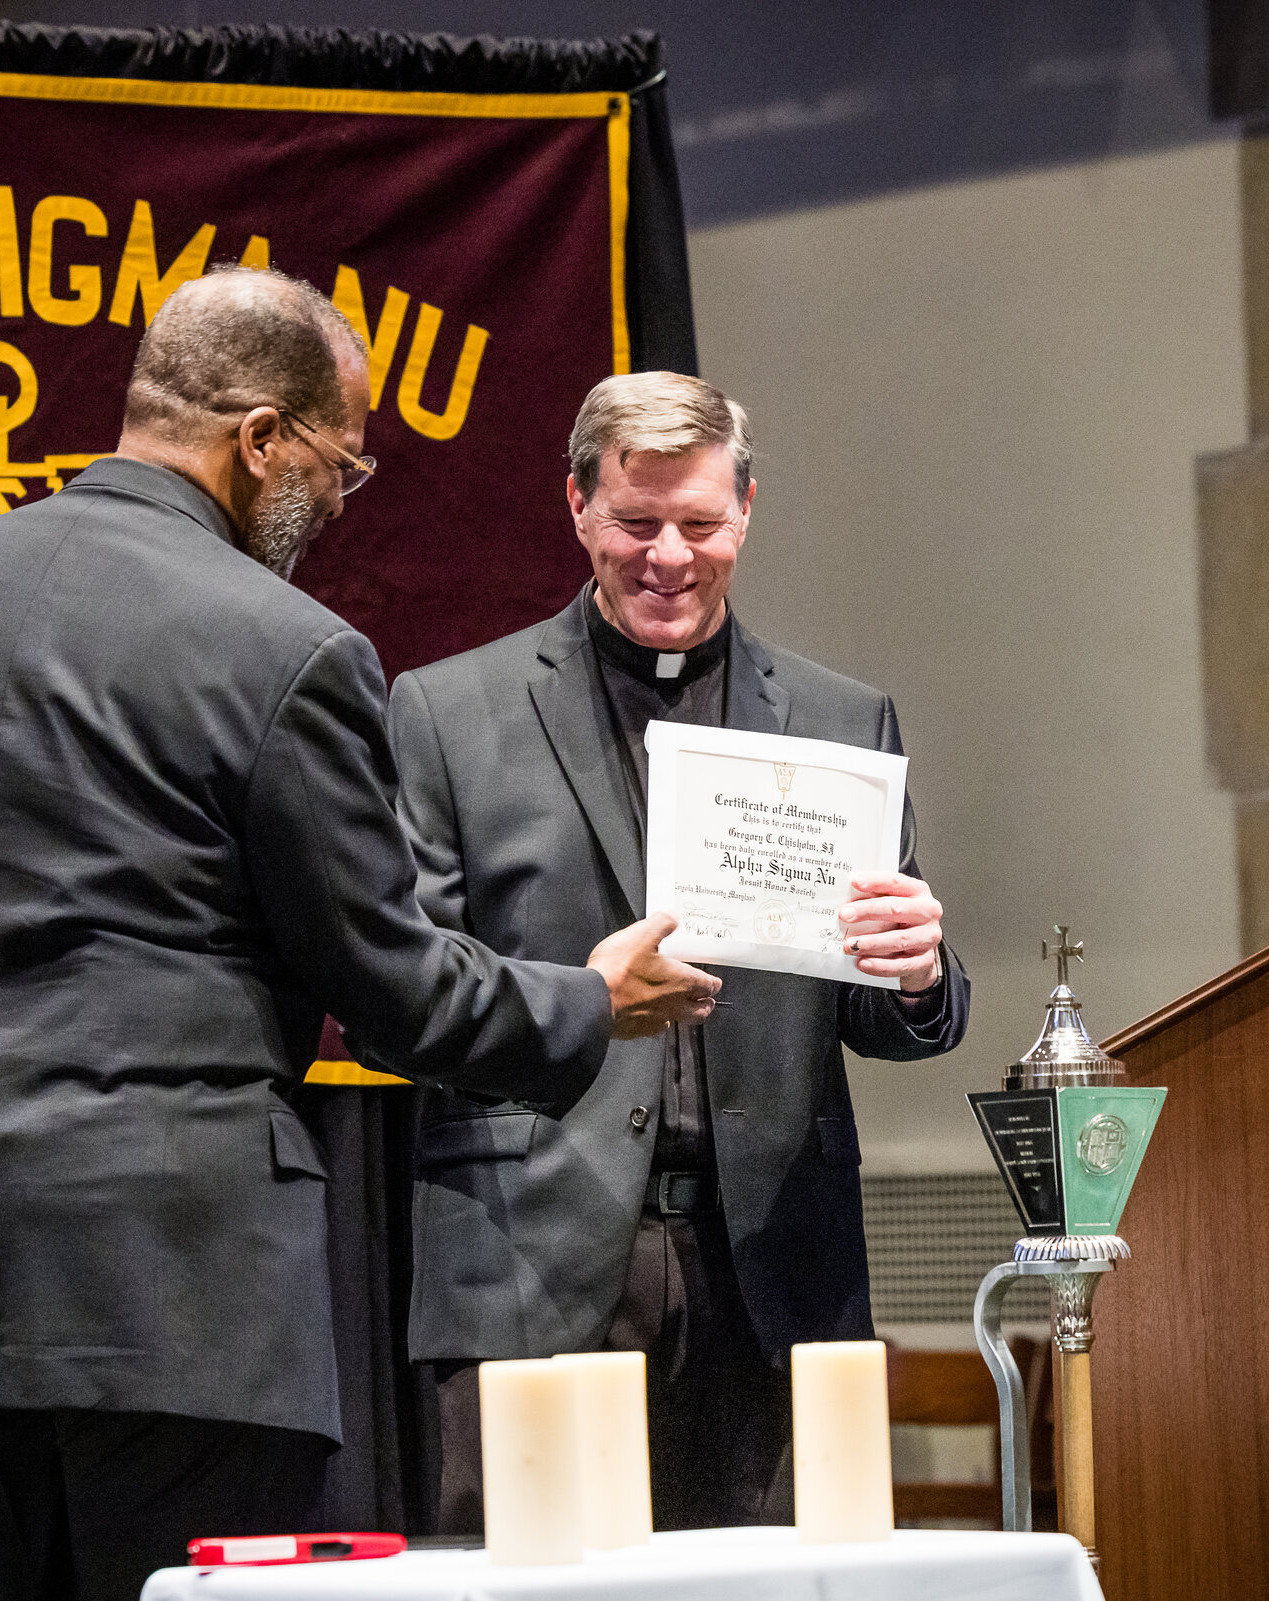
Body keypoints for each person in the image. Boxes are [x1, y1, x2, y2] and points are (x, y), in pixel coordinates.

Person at [0, 271, 719, 1601]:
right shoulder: (283, 647)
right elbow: (395, 987)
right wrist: (587, 999)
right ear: (258, 437)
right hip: (172, 1292)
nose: (339, 501)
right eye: (340, 463)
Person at [388, 370, 972, 1532]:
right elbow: (404, 996)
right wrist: (583, 999)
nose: (669, 555)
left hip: (772, 1270)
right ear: (577, 507)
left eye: (700, 524)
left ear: (747, 511)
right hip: (529, 1260)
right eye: (636, 522)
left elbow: (871, 1005)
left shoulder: (840, 717)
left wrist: (911, 972)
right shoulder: (450, 712)